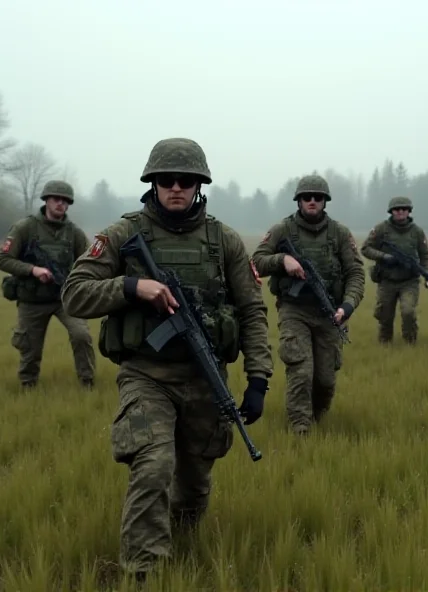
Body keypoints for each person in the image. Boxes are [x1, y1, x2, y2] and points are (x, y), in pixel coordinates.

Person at [59, 137, 273, 583]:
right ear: (152, 183)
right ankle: (145, 572)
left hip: (204, 376)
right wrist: (132, 287)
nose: (176, 188)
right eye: (166, 181)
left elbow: (252, 309)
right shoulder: (122, 234)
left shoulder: (223, 240)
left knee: (194, 485)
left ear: (199, 185)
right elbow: (74, 293)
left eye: (186, 181)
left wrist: (258, 379)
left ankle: (185, 543)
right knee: (153, 465)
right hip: (146, 375)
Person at [251, 174, 365, 436]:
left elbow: (356, 274)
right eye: (307, 197)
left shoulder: (339, 233)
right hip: (294, 310)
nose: (312, 201)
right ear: (299, 201)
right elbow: (256, 261)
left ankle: (318, 418)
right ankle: (300, 428)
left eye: (318, 197)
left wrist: (347, 307)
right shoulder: (283, 230)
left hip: (329, 313)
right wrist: (283, 261)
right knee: (301, 371)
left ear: (325, 201)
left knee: (325, 379)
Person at [0, 180, 96, 389]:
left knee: (81, 335)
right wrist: (33, 270)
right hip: (32, 299)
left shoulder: (74, 233)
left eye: (65, 201)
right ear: (46, 201)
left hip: (64, 298)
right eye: (56, 199)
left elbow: (88, 262)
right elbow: (3, 260)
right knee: (30, 346)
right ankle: (28, 385)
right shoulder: (25, 228)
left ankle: (87, 382)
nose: (60, 204)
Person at [360, 195, 428, 344]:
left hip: (409, 281)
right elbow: (365, 248)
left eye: (404, 209)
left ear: (409, 211)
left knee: (408, 311)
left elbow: (425, 256)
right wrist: (384, 257)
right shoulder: (381, 229)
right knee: (385, 315)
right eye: (397, 209)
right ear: (391, 211)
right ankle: (385, 344)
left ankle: (410, 342)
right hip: (387, 280)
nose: (400, 211)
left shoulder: (417, 232)